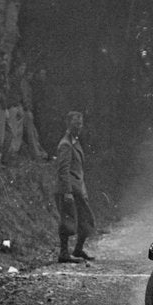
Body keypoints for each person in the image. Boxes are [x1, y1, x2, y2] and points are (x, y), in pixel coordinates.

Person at [55, 111, 95, 263]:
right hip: (68, 190)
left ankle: (78, 250)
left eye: (80, 124)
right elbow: (63, 170)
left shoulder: (74, 142)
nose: (79, 127)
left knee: (86, 219)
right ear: (68, 124)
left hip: (77, 189)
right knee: (68, 222)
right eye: (75, 124)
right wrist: (67, 192)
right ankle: (63, 253)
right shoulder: (65, 144)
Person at [21, 65, 48, 160]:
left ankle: (39, 152)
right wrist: (28, 108)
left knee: (34, 133)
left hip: (29, 110)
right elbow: (25, 98)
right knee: (31, 133)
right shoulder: (24, 83)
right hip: (27, 111)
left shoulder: (28, 84)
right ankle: (36, 154)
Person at [2, 61, 26, 163]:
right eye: (21, 69)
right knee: (12, 129)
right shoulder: (11, 79)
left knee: (18, 131)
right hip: (11, 106)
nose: (23, 71)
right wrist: (11, 104)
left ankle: (15, 150)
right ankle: (10, 152)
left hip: (16, 105)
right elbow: (8, 94)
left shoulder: (18, 80)